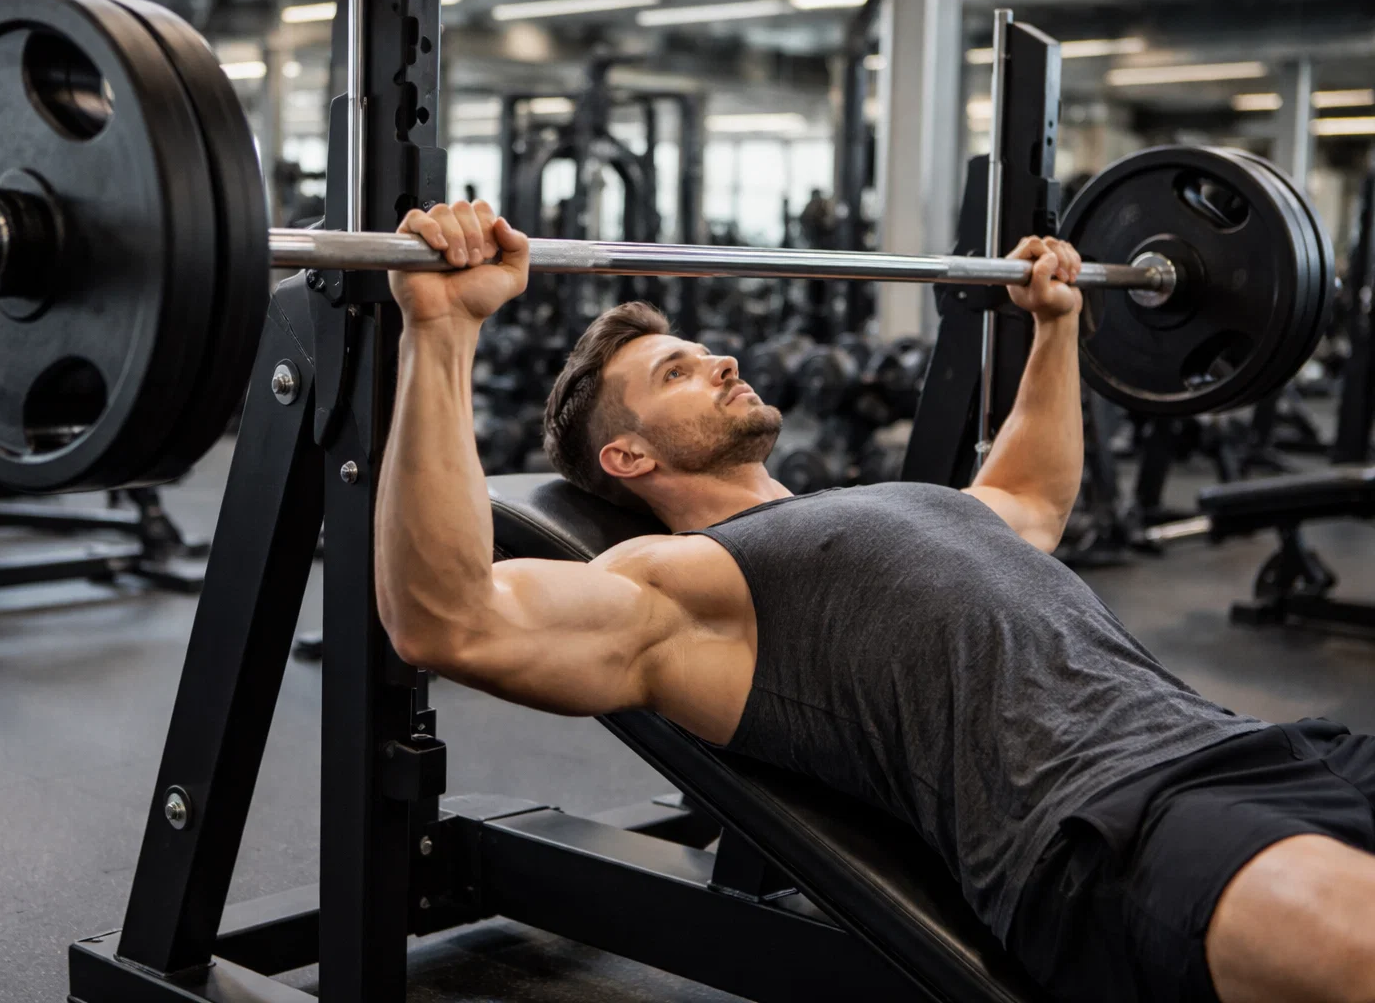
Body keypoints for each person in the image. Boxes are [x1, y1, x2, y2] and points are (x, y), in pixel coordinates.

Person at [373, 200, 1375, 1003]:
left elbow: (1027, 497)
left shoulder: (895, 499)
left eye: (704, 349)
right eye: (675, 371)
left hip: (1260, 747)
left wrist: (1057, 328)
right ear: (626, 454)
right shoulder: (681, 580)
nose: (722, 360)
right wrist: (445, 330)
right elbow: (451, 618)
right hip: (1109, 829)